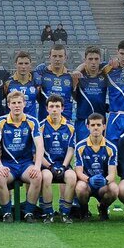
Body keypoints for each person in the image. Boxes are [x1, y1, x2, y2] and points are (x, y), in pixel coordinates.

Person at [0, 91, 46, 222]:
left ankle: (28, 212)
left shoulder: (32, 121)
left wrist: (37, 166)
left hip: (25, 164)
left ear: (24, 104)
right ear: (8, 105)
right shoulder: (1, 121)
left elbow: (39, 145)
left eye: (19, 103)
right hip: (8, 164)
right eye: (13, 103)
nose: (17, 106)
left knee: (37, 176)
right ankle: (6, 213)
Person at [73, 113, 119, 221]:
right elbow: (78, 172)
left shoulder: (111, 147)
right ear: (88, 126)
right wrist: (89, 179)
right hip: (87, 183)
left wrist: (105, 181)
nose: (96, 128)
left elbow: (112, 174)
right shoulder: (80, 146)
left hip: (103, 184)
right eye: (93, 125)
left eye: (99, 125)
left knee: (114, 189)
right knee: (80, 188)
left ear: (104, 126)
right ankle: (84, 210)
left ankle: (103, 208)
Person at [39, 95, 77, 223]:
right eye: (51, 106)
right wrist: (50, 166)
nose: (54, 109)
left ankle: (65, 212)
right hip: (46, 166)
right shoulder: (41, 126)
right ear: (47, 109)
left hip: (63, 165)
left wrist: (64, 166)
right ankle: (48, 212)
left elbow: (71, 149)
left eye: (57, 106)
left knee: (72, 177)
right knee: (47, 177)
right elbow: (38, 152)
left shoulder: (70, 127)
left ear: (62, 108)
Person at [72, 46, 109, 143]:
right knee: (83, 150)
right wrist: (78, 70)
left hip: (100, 121)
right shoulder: (78, 76)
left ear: (100, 60)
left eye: (96, 59)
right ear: (85, 60)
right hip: (83, 121)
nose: (93, 62)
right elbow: (73, 94)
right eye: (90, 59)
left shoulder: (105, 75)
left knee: (100, 151)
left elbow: (114, 64)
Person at [36, 44, 74, 121]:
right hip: (45, 121)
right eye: (54, 56)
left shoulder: (71, 77)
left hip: (65, 122)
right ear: (49, 57)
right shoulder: (41, 74)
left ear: (65, 58)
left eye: (60, 56)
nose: (57, 59)